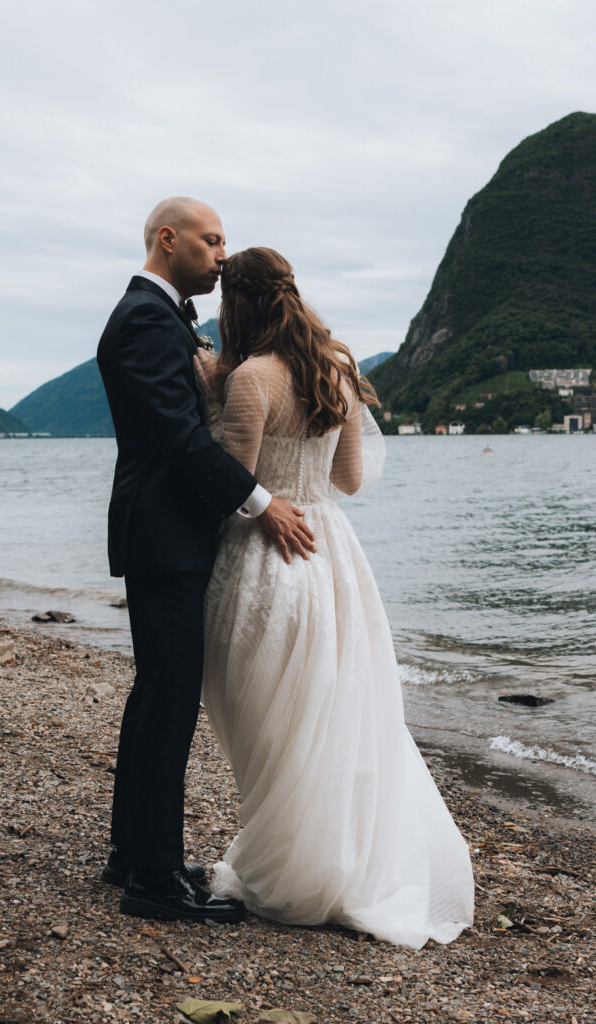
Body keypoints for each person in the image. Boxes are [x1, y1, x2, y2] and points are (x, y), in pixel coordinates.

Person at [195, 247, 474, 950]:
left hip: (268, 554)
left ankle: (285, 867)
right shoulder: (338, 371)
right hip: (334, 556)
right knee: (331, 713)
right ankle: (330, 859)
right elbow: (350, 478)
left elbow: (227, 485)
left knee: (267, 719)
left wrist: (208, 396)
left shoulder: (250, 379)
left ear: (235, 307)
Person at [96, 199, 316, 923]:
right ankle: (154, 882)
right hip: (164, 535)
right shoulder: (143, 320)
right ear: (168, 239)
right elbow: (177, 440)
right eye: (210, 239)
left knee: (157, 698)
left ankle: (135, 854)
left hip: (168, 533)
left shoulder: (160, 319)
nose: (222, 255)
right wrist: (262, 501)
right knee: (167, 704)